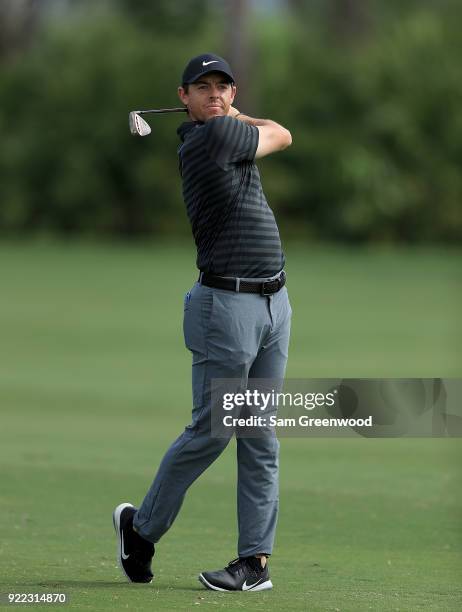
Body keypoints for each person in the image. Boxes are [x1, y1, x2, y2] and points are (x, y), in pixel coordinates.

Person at [113, 53, 292, 592]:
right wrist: (231, 117)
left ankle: (254, 564)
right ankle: (140, 531)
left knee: (260, 436)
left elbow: (273, 133)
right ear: (182, 96)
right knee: (213, 432)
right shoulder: (208, 140)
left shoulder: (218, 129)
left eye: (223, 86)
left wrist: (225, 113)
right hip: (226, 308)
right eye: (202, 87)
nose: (214, 93)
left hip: (273, 305)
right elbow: (282, 134)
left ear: (232, 93)